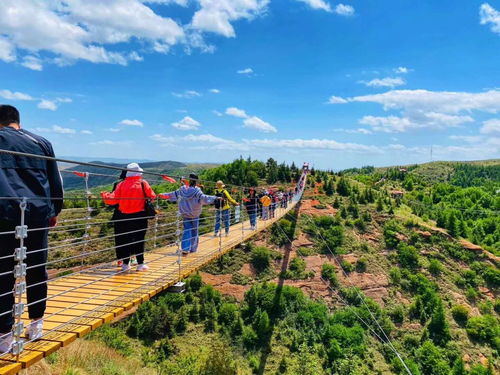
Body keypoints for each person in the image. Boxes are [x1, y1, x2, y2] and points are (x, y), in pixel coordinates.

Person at [0, 105, 64, 352]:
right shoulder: (41, 142)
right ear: (17, 120)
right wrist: (54, 211)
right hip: (37, 215)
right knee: (37, 269)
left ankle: (4, 337)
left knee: (3, 274)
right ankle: (36, 324)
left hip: (4, 215)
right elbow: (54, 179)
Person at [101, 163, 155, 273]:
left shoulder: (121, 184)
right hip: (140, 216)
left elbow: (112, 200)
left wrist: (104, 195)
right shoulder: (143, 183)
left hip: (124, 217)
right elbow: (152, 196)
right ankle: (140, 264)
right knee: (139, 240)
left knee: (126, 240)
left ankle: (126, 264)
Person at [161, 174, 217, 254]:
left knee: (187, 229)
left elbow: (173, 194)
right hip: (195, 214)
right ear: (196, 181)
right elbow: (204, 198)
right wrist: (215, 198)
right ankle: (193, 249)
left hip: (185, 213)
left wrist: (163, 195)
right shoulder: (197, 191)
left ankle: (185, 248)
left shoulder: (182, 189)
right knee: (194, 231)